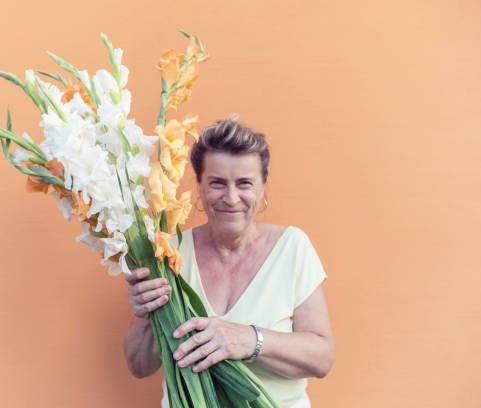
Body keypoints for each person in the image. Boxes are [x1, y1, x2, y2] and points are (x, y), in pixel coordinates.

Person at [123, 116, 335, 407]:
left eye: (244, 183)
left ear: (262, 187)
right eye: (217, 183)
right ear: (200, 187)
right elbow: (139, 365)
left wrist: (250, 340)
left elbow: (322, 357)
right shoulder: (169, 253)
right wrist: (143, 315)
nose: (231, 197)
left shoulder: (292, 248)